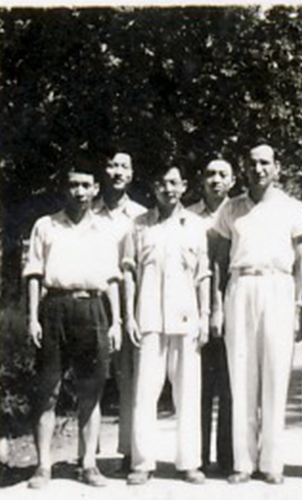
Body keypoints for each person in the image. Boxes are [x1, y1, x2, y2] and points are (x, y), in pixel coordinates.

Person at [212, 142, 302, 485]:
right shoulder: (231, 209)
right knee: (241, 377)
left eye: (265, 163)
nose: (258, 169)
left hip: (278, 287)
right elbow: (219, 261)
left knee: (276, 375)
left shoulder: (293, 208)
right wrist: (216, 307)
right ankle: (243, 462)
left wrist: (298, 307)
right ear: (245, 168)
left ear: (277, 167)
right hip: (241, 287)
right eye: (252, 163)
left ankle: (272, 462)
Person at [24, 154, 122, 489]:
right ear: (64, 188)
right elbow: (34, 274)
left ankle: (89, 464)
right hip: (54, 309)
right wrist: (32, 318)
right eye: (73, 185)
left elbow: (112, 279)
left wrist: (117, 321)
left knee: (90, 391)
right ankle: (43, 466)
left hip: (92, 309)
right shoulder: (46, 225)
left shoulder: (105, 230)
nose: (80, 191)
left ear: (95, 189)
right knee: (47, 391)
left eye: (85, 185)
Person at [124, 163, 210, 486]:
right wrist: (129, 316)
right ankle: (142, 462)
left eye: (174, 182)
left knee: (188, 392)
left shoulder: (196, 225)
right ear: (154, 187)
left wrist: (205, 315)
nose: (168, 189)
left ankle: (189, 462)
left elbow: (203, 275)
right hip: (148, 318)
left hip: (186, 318)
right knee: (145, 391)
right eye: (161, 183)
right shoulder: (139, 225)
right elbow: (129, 273)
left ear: (184, 185)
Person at [93, 150, 146, 473]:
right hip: (93, 301)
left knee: (130, 379)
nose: (117, 171)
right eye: (111, 165)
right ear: (104, 170)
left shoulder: (141, 216)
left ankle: (128, 451)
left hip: (128, 305)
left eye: (124, 166)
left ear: (131, 173)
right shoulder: (89, 212)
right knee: (92, 378)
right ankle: (88, 454)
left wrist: (130, 314)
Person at [187, 158, 235, 476]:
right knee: (200, 386)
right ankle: (199, 457)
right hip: (196, 309)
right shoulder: (188, 216)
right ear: (201, 180)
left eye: (222, 174)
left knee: (231, 386)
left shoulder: (240, 212)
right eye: (210, 174)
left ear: (232, 181)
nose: (216, 179)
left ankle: (229, 458)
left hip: (236, 306)